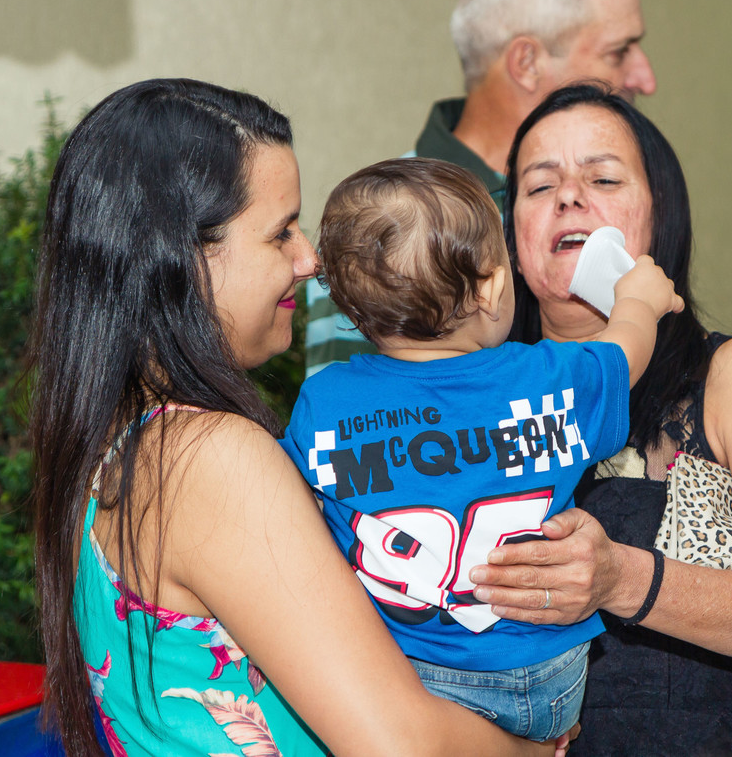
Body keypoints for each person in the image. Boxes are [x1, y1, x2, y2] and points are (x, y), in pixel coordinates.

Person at [29, 79, 565, 757]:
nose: (310, 260)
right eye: (281, 231)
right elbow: (403, 746)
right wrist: (537, 750)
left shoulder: (118, 443)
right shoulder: (208, 456)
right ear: (183, 258)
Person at [465, 82, 732, 755]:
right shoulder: (469, 398)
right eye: (539, 186)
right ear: (511, 239)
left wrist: (622, 577)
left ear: (660, 217)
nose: (568, 196)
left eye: (603, 177)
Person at [282, 156, 682, 742]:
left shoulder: (325, 402)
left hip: (405, 680)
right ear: (495, 284)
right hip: (546, 683)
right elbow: (622, 356)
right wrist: (640, 302)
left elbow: (300, 512)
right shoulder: (547, 378)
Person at [306, 0, 656, 376]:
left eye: (603, 180)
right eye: (619, 51)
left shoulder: (627, 192)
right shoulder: (380, 229)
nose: (645, 78)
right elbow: (360, 432)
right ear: (526, 63)